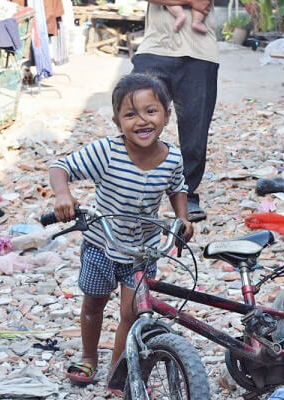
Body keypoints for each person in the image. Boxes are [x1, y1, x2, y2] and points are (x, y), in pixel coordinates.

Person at [48, 73, 194, 395]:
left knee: (130, 313)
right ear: (117, 121)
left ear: (167, 115)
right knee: (94, 304)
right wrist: (63, 195)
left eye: (151, 111)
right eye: (130, 114)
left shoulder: (172, 158)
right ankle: (88, 355)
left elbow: (177, 187)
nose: (142, 121)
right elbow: (60, 166)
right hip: (103, 244)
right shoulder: (107, 153)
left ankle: (119, 372)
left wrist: (182, 218)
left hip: (143, 250)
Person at [132, 0, 218, 223]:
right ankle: (131, 189)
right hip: (155, 47)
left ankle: (187, 194)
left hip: (200, 51)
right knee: (136, 117)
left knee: (195, 129)